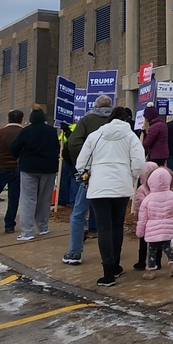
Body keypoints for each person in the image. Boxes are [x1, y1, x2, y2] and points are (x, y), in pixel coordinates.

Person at [75, 107, 145, 287]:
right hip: (121, 186)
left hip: (98, 187)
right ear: (126, 120)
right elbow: (138, 162)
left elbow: (81, 163)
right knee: (117, 226)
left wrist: (91, 174)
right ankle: (115, 265)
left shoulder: (95, 136)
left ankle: (107, 273)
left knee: (104, 227)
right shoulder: (130, 137)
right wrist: (130, 176)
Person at [62, 96, 114, 266]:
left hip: (91, 173)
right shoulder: (117, 121)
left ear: (96, 106)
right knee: (110, 214)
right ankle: (112, 253)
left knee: (79, 212)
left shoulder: (87, 120)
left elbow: (73, 143)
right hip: (115, 174)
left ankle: (74, 252)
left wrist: (81, 164)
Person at [10, 108, 60, 241]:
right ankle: (43, 227)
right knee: (45, 198)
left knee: (28, 199)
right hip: (49, 168)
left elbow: (14, 147)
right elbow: (56, 147)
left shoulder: (26, 131)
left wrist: (19, 156)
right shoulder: (51, 131)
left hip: (29, 167)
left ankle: (27, 232)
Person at [136, 167, 173, 279]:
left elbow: (142, 218)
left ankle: (150, 270)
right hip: (167, 227)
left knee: (152, 250)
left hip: (152, 229)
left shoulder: (148, 199)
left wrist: (140, 232)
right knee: (167, 247)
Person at [57, 122, 76, 209]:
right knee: (69, 180)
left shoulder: (74, 128)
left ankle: (66, 201)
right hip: (70, 158)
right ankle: (67, 201)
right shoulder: (79, 127)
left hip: (71, 159)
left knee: (69, 180)